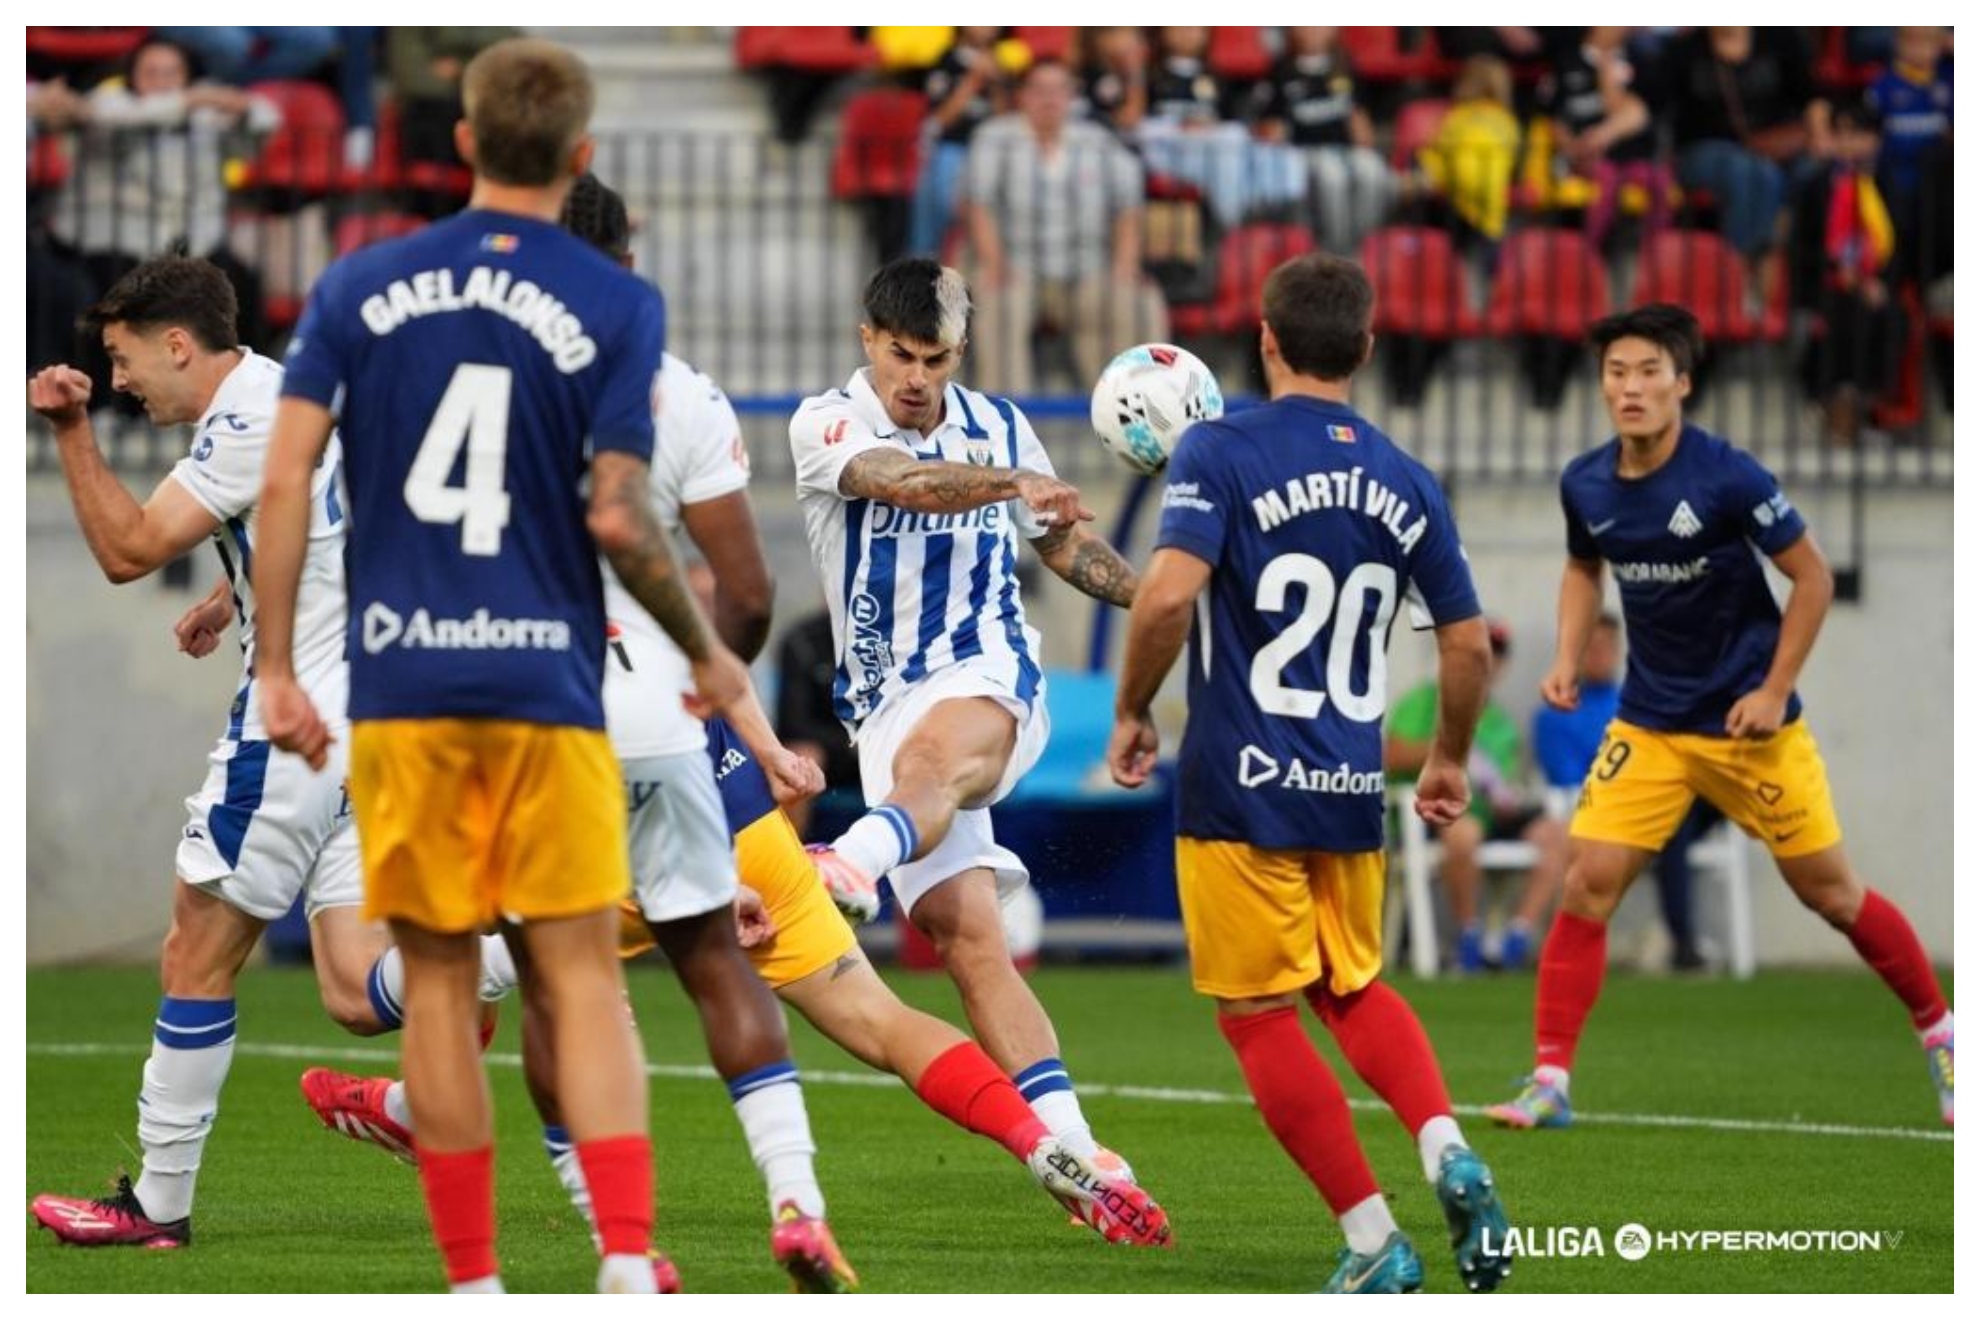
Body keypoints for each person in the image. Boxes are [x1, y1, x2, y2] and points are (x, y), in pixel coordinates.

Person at [252, 39, 756, 1293]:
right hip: (545, 688)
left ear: (462, 143)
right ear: (582, 157)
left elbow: (281, 481)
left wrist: (273, 663)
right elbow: (622, 517)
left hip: (407, 689)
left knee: (433, 984)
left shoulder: (358, 286)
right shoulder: (617, 305)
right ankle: (628, 1263)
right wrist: (711, 660)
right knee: (579, 973)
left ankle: (474, 1286)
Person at [25, 255, 510, 1249]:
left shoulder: (245, 420)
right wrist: (227, 599)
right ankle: (510, 962)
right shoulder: (311, 391)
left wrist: (71, 432)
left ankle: (154, 1206)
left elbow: (127, 551)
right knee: (351, 989)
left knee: (194, 948)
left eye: (123, 362)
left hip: (298, 724)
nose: (120, 384)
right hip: (390, 716)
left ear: (176, 343)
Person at [1107, 252, 1511, 1294]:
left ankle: (1375, 1241)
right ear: (1367, 349)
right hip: (1346, 789)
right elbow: (1465, 646)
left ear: (1265, 339)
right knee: (1353, 986)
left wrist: (1133, 709)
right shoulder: (1407, 478)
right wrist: (1453, 759)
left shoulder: (1220, 451)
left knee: (1257, 1015)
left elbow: (1162, 601)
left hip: (1240, 784)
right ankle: (1446, 1150)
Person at [1485, 303, 1953, 1132]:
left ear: (1682, 383)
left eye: (1648, 373)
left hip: (1751, 730)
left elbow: (1812, 580)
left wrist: (1774, 689)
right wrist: (1564, 658)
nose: (1630, 388)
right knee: (1587, 882)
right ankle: (1550, 1080)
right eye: (1616, 373)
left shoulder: (1729, 476)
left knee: (1833, 895)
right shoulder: (1585, 482)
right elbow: (1581, 568)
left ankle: (1942, 1034)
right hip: (1651, 725)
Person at [792, 257, 1170, 1247]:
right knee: (970, 946)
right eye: (901, 353)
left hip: (988, 672)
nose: (916, 375)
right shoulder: (827, 424)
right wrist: (1016, 484)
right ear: (867, 337)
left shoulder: (1001, 423)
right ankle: (1084, 1156)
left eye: (938, 357)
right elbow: (903, 485)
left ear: (962, 351)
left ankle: (850, 865)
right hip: (881, 708)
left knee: (935, 769)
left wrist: (1158, 597)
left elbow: (1060, 548)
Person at [963, 57, 1168, 396]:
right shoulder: (994, 137)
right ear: (1023, 96)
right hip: (1016, 266)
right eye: (1040, 90)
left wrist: (1124, 265)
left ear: (1072, 97)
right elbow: (976, 205)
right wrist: (994, 263)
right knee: (999, 305)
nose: (1050, 99)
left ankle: (1128, 416)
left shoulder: (1096, 140)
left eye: (1059, 91)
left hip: (1087, 268)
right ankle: (1006, 424)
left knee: (1138, 301)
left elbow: (1128, 204)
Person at [1532, 612, 1712, 971]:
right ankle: (1680, 941)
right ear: (1576, 652)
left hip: (1661, 801)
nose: (1600, 655)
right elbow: (1569, 781)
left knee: (1695, 799)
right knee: (1668, 832)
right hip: (1602, 809)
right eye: (1592, 647)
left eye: (1607, 647)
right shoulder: (1556, 712)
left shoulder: (1640, 702)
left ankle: (1677, 939)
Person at [1387, 617, 1564, 972]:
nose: (1488, 661)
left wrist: (1504, 795)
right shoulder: (1422, 702)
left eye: (1495, 654)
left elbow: (1507, 781)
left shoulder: (1500, 721)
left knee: (1557, 834)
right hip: (1433, 813)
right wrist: (1448, 752)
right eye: (1481, 651)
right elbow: (1388, 755)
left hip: (1488, 813)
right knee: (1464, 831)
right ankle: (1468, 936)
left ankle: (1516, 935)